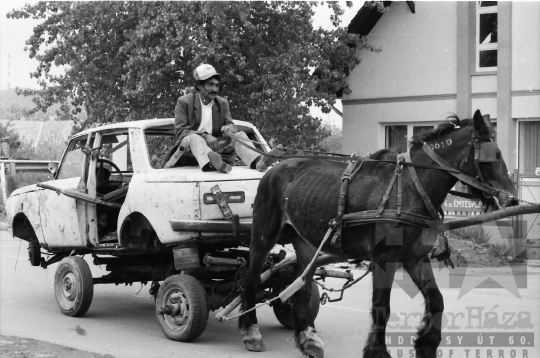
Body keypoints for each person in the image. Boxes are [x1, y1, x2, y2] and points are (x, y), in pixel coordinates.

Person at [173, 64, 279, 173]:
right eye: (210, 85)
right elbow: (181, 131)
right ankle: (212, 162)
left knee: (240, 135)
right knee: (194, 137)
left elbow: (232, 126)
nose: (214, 89)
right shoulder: (184, 102)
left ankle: (259, 162)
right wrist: (205, 135)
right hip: (190, 150)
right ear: (199, 86)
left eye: (216, 85)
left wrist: (229, 128)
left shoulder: (222, 103)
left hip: (216, 148)